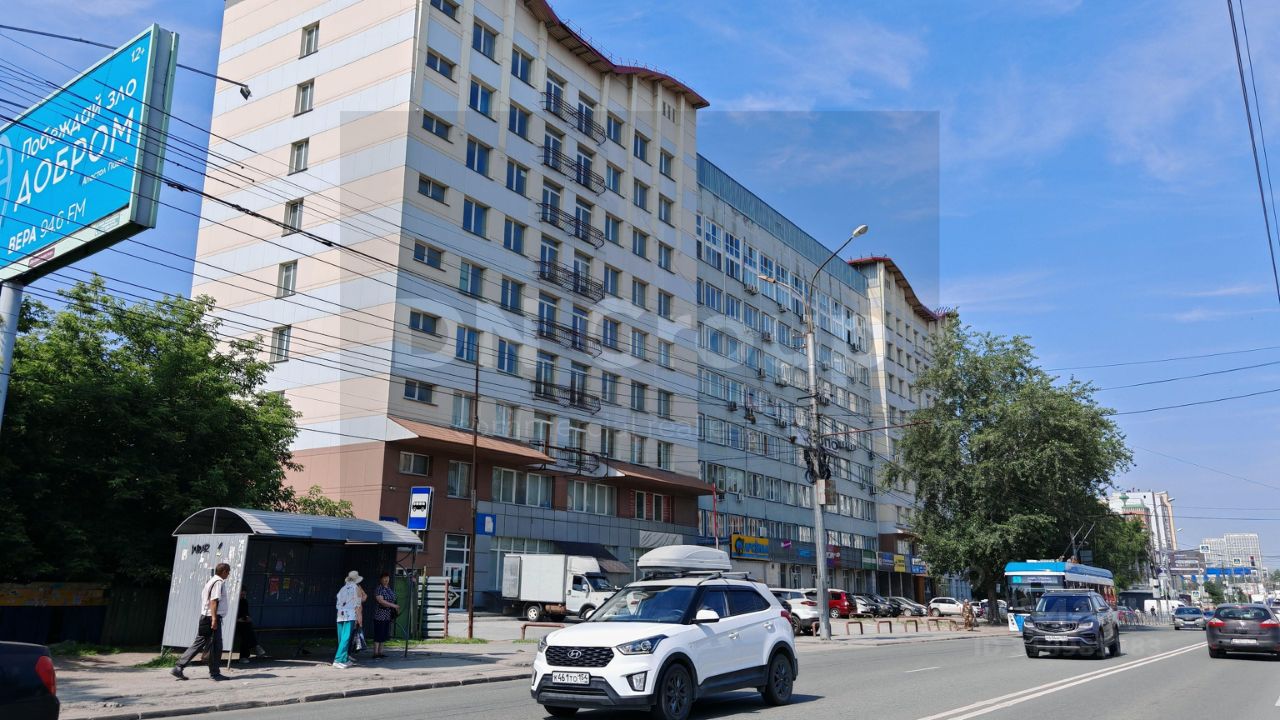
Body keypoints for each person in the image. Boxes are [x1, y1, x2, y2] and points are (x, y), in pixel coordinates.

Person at [172, 563, 231, 681]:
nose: (228, 574)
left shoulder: (211, 581)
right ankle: (215, 674)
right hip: (211, 618)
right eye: (228, 572)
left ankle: (179, 667)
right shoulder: (218, 582)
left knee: (199, 643)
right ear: (224, 571)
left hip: (205, 617)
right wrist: (214, 619)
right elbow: (213, 601)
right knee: (216, 646)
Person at [333, 570, 363, 669]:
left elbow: (338, 602)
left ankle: (344, 658)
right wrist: (359, 618)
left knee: (341, 638)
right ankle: (338, 659)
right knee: (346, 638)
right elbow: (358, 605)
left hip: (340, 615)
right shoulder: (356, 588)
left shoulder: (342, 589)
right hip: (350, 615)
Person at [235, 588, 270, 663]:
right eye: (241, 594)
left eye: (244, 594)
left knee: (246, 632)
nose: (243, 596)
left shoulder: (244, 601)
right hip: (236, 622)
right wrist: (238, 620)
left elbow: (246, 612)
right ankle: (255, 646)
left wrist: (247, 617)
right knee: (246, 631)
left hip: (243, 622)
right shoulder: (234, 602)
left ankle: (245, 655)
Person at [371, 572, 400, 659]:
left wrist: (395, 607)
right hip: (380, 614)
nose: (386, 579)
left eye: (387, 578)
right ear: (381, 579)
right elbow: (381, 601)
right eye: (384, 578)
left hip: (388, 614)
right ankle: (375, 653)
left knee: (384, 633)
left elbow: (393, 598)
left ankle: (381, 652)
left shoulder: (389, 588)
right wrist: (393, 605)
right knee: (378, 633)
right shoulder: (379, 589)